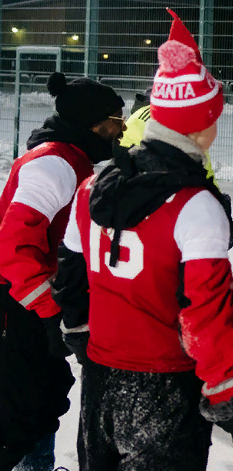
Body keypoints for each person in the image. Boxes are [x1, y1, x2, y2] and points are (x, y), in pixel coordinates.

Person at [50, 9, 233, 470]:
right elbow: (210, 313)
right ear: (203, 124)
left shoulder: (93, 186)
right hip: (166, 386)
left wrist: (81, 335)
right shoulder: (195, 205)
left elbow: (69, 274)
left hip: (102, 382)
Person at [0, 72, 125, 471]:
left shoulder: (71, 159)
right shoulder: (54, 164)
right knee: (22, 407)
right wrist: (51, 311)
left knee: (46, 394)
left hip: (31, 302)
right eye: (115, 120)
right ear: (93, 124)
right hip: (19, 303)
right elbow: (12, 247)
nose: (119, 130)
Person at [121, 86, 220, 186]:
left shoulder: (135, 117)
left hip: (124, 182)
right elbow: (204, 166)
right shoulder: (182, 123)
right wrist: (217, 196)